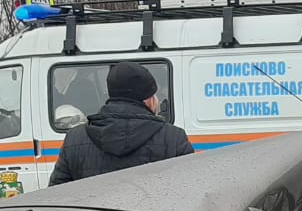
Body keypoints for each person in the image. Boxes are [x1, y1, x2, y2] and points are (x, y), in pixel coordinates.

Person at [49, 62, 194, 185]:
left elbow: (56, 196)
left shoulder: (75, 138)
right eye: (154, 94)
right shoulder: (173, 138)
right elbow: (189, 190)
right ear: (147, 99)